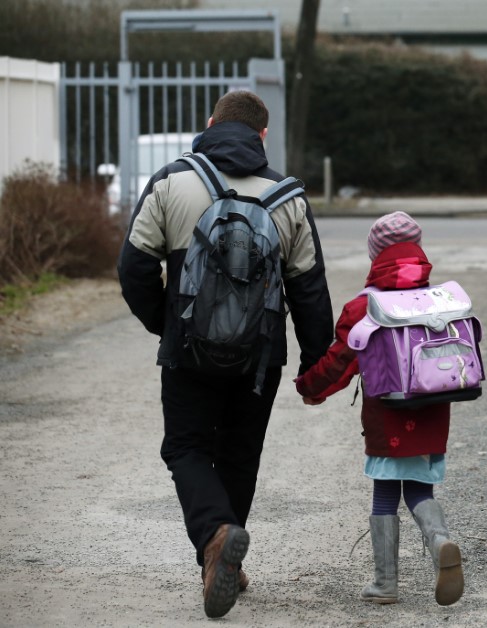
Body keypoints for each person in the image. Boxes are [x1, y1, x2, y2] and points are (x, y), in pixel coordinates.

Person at [117, 90, 334, 619]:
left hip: (188, 349)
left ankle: (216, 537)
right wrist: (314, 367)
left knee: (186, 448)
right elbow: (309, 290)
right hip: (258, 358)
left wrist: (164, 323)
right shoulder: (288, 198)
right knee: (239, 454)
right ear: (263, 135)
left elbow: (134, 268)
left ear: (209, 124)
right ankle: (224, 560)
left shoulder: (173, 181)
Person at [294, 211, 464, 606]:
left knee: (386, 492)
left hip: (387, 414)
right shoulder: (437, 301)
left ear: (376, 256)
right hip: (433, 409)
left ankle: (386, 584)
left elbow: (339, 361)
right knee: (420, 488)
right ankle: (440, 541)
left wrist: (310, 388)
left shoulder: (366, 308)